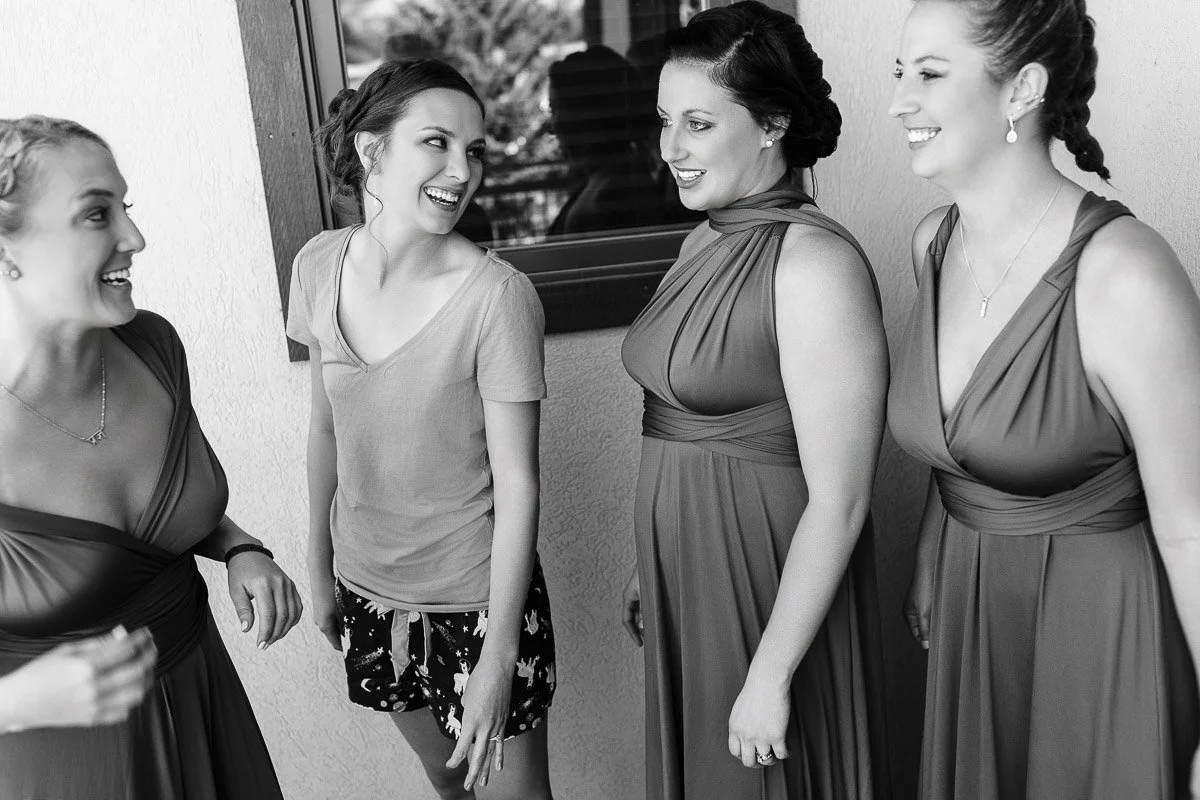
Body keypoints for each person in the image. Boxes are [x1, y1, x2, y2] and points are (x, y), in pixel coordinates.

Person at [887, 1, 1200, 797]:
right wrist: (932, 542)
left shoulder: (1124, 273)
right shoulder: (933, 243)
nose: (897, 102)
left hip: (1099, 635)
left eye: (928, 74)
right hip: (975, 614)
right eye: (899, 74)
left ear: (1022, 88)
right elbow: (965, 432)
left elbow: (1193, 529)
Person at [620, 3, 891, 798]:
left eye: (699, 123)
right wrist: (651, 561)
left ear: (771, 122)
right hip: (689, 576)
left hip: (770, 586)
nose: (671, 147)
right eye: (666, 120)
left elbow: (841, 501)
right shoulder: (704, 238)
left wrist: (771, 676)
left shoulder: (813, 265)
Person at [0, 115, 302, 798]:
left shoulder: (152, 347)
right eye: (95, 215)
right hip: (63, 768)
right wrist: (17, 703)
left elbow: (161, 515)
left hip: (206, 710)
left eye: (125, 208)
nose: (134, 239)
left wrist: (238, 546)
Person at [289, 58, 555, 800]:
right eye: (436, 142)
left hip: (479, 599)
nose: (460, 170)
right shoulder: (317, 265)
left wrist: (499, 654)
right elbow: (325, 430)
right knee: (448, 788)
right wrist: (318, 564)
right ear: (373, 151)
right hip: (370, 593)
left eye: (473, 151)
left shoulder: (498, 298)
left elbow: (519, 481)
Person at [545, 46, 664, 237]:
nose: (551, 127)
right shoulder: (612, 180)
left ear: (585, 113)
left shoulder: (617, 193)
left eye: (555, 109)